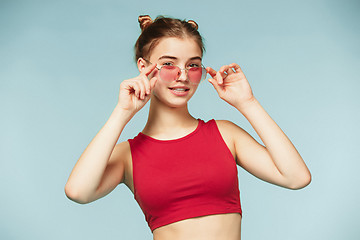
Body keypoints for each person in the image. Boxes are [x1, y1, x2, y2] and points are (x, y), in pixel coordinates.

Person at [64, 15, 311, 240]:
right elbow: (78, 192)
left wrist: (248, 103)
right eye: (169, 64)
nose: (183, 76)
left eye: (193, 65)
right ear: (144, 67)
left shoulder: (225, 134)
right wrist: (122, 113)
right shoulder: (127, 156)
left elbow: (296, 177)